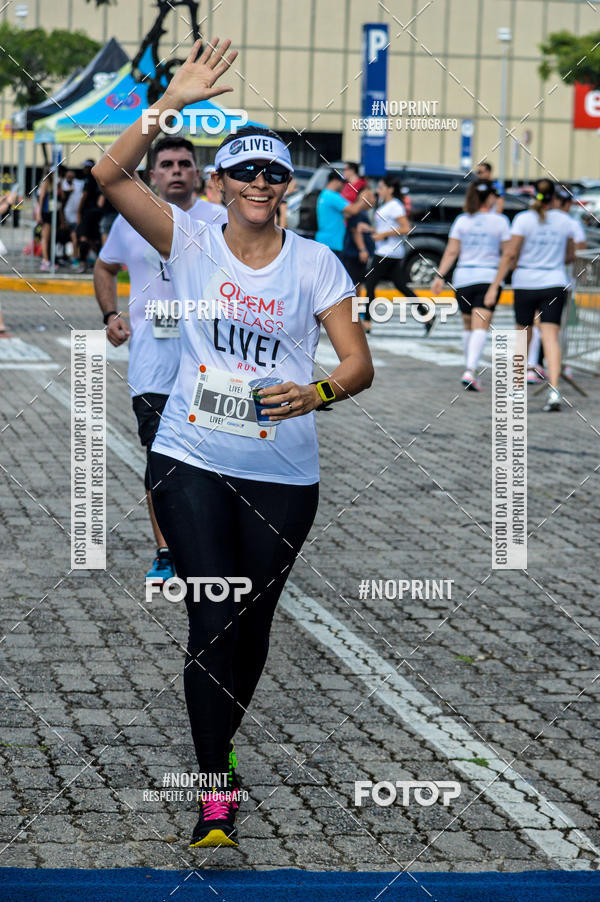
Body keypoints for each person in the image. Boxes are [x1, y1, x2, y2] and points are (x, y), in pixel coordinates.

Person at [92, 37, 373, 849]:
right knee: (211, 618)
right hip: (191, 455)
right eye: (244, 172)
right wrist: (170, 100)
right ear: (219, 185)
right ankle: (215, 789)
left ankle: (224, 746)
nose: (258, 184)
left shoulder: (318, 265)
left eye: (272, 173)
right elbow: (110, 177)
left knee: (251, 627)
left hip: (285, 474)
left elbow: (358, 365)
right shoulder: (189, 241)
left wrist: (313, 391)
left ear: (288, 187)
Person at [94, 135, 228, 584]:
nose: (175, 170)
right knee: (161, 464)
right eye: (166, 163)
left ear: (197, 174)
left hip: (214, 367)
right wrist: (111, 314)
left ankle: (213, 546)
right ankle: (167, 552)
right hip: (152, 369)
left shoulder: (220, 220)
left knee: (214, 463)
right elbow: (104, 267)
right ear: (151, 174)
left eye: (183, 163)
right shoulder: (129, 219)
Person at [484, 179, 575, 412]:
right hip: (554, 281)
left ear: (533, 194)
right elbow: (570, 255)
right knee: (550, 338)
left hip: (525, 282)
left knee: (522, 337)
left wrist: (495, 284)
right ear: (555, 198)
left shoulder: (523, 219)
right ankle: (554, 391)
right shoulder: (565, 221)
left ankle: (516, 390)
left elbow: (510, 254)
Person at [431, 180, 510, 391]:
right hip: (488, 277)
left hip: (463, 278)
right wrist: (499, 281)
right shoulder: (500, 221)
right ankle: (470, 370)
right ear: (491, 197)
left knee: (468, 326)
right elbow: (507, 254)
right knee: (480, 326)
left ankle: (470, 370)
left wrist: (439, 276)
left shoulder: (462, 220)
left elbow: (451, 251)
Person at [526, 185, 586, 383]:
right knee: (554, 328)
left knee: (538, 325)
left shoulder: (538, 218)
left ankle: (535, 366)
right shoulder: (570, 223)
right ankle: (552, 366)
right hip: (561, 281)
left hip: (538, 280)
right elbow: (580, 254)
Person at [364, 175, 435, 336]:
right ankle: (426, 314)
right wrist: (372, 231)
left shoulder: (395, 206)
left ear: (390, 189)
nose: (378, 190)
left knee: (370, 284)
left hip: (387, 252)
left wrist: (384, 235)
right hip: (388, 251)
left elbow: (406, 228)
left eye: (381, 187)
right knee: (400, 285)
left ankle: (367, 323)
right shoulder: (387, 205)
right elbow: (385, 227)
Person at [315, 170, 368, 259]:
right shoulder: (333, 196)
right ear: (335, 182)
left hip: (324, 240)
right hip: (332, 243)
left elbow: (347, 214)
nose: (344, 186)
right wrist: (364, 199)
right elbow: (353, 210)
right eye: (343, 183)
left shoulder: (324, 194)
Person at [341, 186, 376, 308]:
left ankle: (356, 308)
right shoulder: (358, 213)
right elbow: (356, 230)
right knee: (354, 282)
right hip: (354, 253)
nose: (373, 199)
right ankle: (353, 309)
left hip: (356, 253)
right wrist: (362, 249)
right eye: (369, 196)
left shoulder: (363, 213)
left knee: (358, 282)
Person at [76, 159, 101, 272]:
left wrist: (78, 212)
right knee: (94, 239)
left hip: (88, 213)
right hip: (96, 212)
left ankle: (82, 263)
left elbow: (84, 196)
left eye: (86, 167)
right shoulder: (98, 179)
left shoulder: (89, 180)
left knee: (84, 238)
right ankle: (100, 261)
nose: (84, 169)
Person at [37, 168, 64, 272]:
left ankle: (49, 259)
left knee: (52, 238)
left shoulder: (56, 184)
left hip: (54, 213)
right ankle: (45, 260)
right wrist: (39, 214)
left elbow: (61, 199)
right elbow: (41, 199)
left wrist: (60, 185)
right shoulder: (45, 183)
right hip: (46, 213)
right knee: (46, 237)